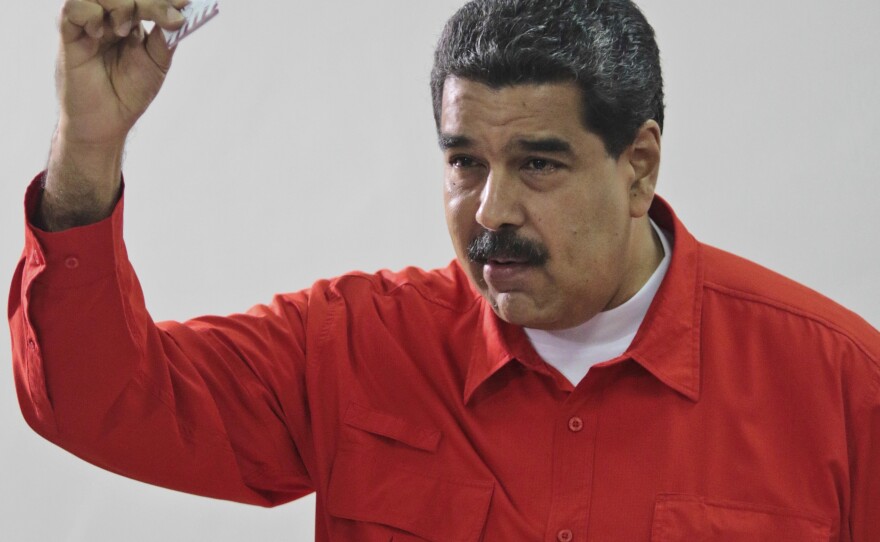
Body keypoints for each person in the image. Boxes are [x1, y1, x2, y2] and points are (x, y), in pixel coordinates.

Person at [9, 0, 879, 540]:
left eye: (538, 164)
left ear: (639, 166)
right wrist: (90, 146)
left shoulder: (842, 386)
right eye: (465, 162)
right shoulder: (349, 350)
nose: (492, 211)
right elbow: (96, 400)